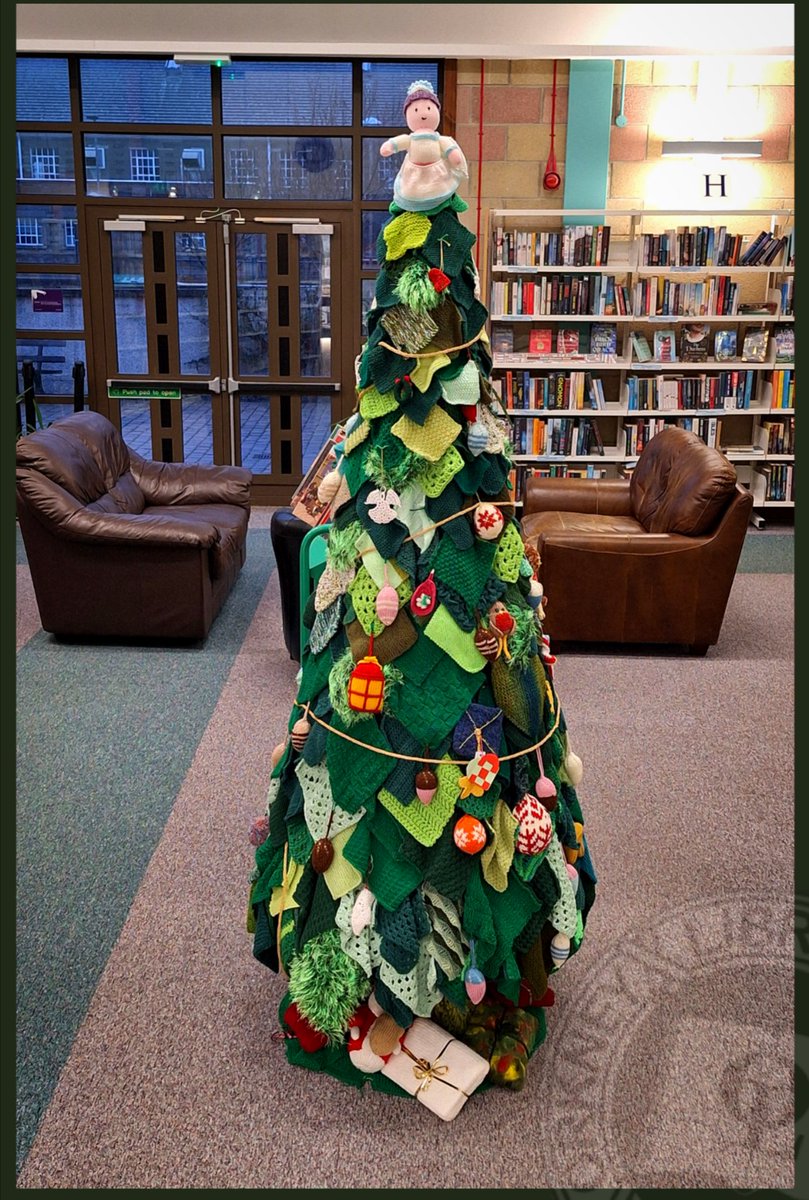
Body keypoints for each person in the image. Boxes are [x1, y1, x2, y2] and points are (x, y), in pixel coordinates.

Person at [380, 79, 468, 212]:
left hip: (436, 171)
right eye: (416, 110)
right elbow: (397, 142)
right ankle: (401, 204)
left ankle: (450, 199)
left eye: (428, 108)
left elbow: (450, 149)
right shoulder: (410, 139)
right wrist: (390, 146)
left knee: (444, 187)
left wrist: (454, 156)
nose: (424, 114)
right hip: (414, 173)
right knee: (407, 191)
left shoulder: (439, 139)